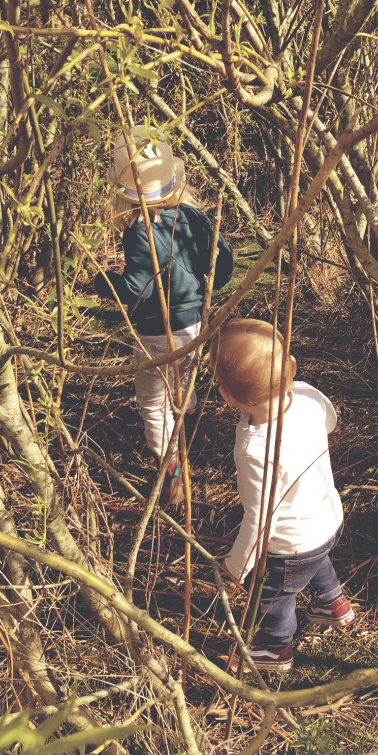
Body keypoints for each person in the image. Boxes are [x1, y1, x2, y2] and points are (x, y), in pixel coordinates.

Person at [94, 125, 233, 505]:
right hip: (194, 324)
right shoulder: (195, 216)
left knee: (152, 403)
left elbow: (139, 290)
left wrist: (107, 285)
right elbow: (222, 267)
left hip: (158, 331)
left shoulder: (140, 231)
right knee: (184, 376)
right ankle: (186, 423)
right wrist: (200, 284)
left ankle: (171, 467)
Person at [209, 319, 354, 672]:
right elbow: (331, 421)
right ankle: (333, 605)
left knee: (274, 594)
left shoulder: (255, 449)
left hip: (290, 542)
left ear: (226, 395)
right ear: (290, 367)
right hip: (327, 517)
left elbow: (260, 517)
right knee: (317, 560)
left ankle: (276, 649)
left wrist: (238, 564)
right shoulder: (307, 395)